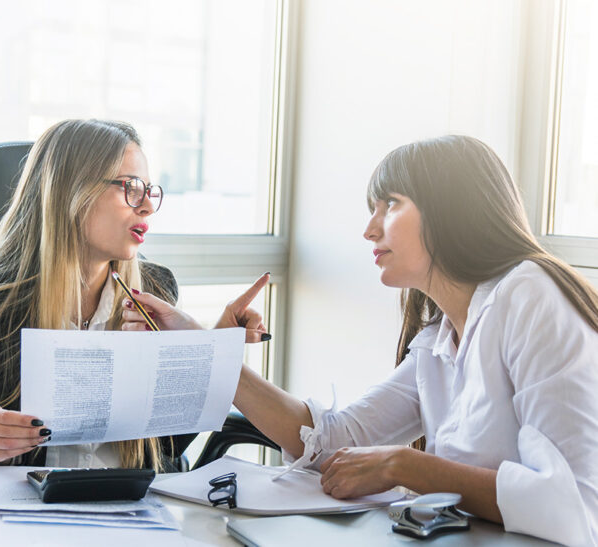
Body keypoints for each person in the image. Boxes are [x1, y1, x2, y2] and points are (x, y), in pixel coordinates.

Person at [131, 135, 598, 546]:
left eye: (389, 204)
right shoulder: (439, 339)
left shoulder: (530, 293)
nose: (369, 229)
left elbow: (574, 507)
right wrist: (205, 347)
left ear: (451, 207)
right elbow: (336, 441)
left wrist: (406, 466)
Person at [0, 118, 268, 472]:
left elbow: (165, 447)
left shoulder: (155, 288)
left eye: (149, 190)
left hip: (134, 512)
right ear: (71, 191)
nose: (146, 206)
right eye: (130, 186)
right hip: (29, 517)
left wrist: (210, 351)